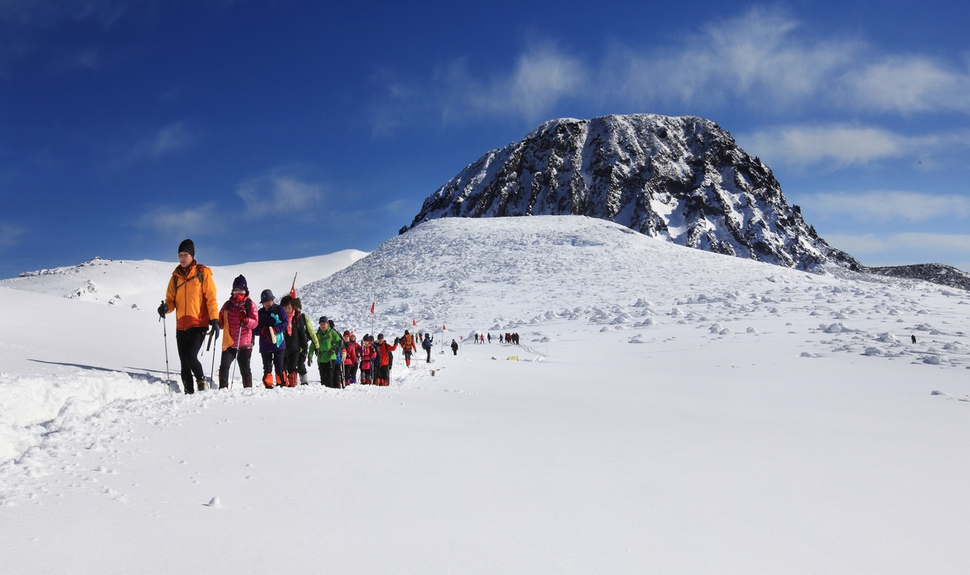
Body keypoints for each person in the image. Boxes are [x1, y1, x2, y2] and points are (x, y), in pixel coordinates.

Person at [158, 239, 219, 395]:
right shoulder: (175, 278)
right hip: (181, 326)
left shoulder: (202, 273)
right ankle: (188, 393)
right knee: (184, 363)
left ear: (192, 255)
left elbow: (211, 298)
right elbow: (171, 301)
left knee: (191, 357)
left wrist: (214, 320)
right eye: (180, 255)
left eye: (185, 254)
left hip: (199, 324)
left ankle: (201, 382)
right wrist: (166, 308)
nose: (182, 258)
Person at [217, 275, 258, 389]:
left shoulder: (250, 305)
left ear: (245, 291)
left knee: (245, 369)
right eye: (235, 290)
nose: (238, 292)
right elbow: (221, 319)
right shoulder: (227, 305)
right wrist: (217, 323)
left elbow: (255, 323)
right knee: (224, 367)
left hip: (245, 344)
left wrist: (245, 320)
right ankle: (222, 389)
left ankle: (248, 390)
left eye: (240, 290)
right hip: (229, 342)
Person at [256, 289, 288, 388]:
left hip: (278, 343)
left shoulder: (279, 309)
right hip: (265, 346)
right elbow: (254, 329)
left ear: (272, 300)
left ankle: (282, 384)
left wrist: (275, 329)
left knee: (279, 367)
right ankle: (268, 385)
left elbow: (285, 323)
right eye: (265, 302)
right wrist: (261, 331)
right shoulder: (259, 313)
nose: (267, 303)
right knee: (267, 367)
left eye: (269, 301)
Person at [309, 316, 342, 388]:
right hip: (321, 359)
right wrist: (310, 356)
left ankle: (330, 394)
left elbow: (338, 342)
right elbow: (312, 346)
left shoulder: (332, 333)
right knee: (323, 378)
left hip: (330, 358)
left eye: (324, 324)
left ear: (327, 324)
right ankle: (325, 394)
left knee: (329, 377)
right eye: (321, 324)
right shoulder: (317, 335)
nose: (322, 326)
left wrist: (339, 344)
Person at [293, 298, 318, 385]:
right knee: (291, 365)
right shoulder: (289, 318)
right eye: (294, 307)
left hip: (302, 346)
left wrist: (316, 345)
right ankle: (292, 381)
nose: (295, 309)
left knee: (300, 364)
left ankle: (304, 382)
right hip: (292, 346)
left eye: (297, 307)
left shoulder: (304, 318)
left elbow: (311, 332)